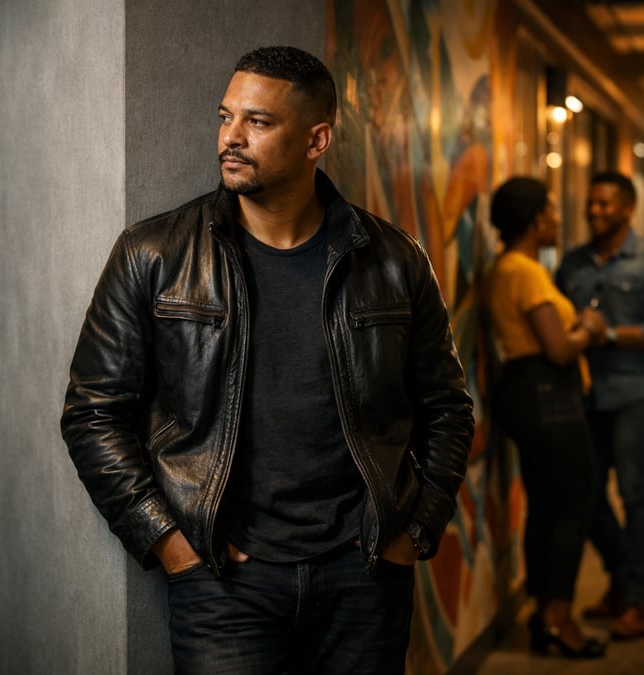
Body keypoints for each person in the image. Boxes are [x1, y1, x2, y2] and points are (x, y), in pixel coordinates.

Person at [60, 46, 474, 674]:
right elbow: (93, 415)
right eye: (226, 117)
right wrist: (170, 543)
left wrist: (413, 532)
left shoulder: (394, 260)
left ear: (317, 139)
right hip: (223, 584)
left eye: (258, 122)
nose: (231, 137)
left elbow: (447, 409)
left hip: (363, 575)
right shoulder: (154, 254)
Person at [555, 170, 644, 640]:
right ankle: (620, 577)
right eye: (592, 203)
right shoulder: (572, 264)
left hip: (640, 395)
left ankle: (639, 601)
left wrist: (608, 334)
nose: (595, 211)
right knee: (587, 497)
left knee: (636, 494)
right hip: (588, 397)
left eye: (606, 204)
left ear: (628, 207)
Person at [486, 177, 607, 659]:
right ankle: (559, 619)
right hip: (549, 395)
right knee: (572, 511)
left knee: (545, 509)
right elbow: (558, 349)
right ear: (535, 220)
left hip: (521, 393)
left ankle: (543, 615)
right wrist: (591, 330)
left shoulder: (503, 267)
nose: (558, 221)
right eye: (553, 213)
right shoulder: (529, 272)